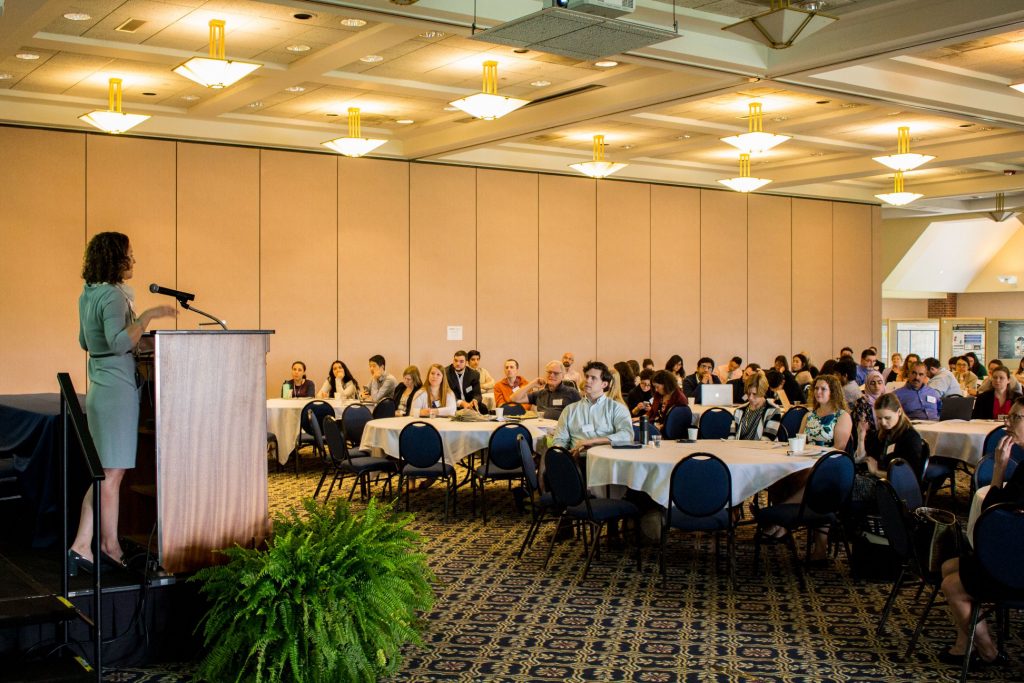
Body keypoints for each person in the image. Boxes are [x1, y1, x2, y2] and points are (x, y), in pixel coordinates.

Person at [70, 232, 177, 573]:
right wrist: (145, 318)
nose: (134, 261)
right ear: (116, 258)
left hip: (101, 386)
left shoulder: (89, 294)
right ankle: (110, 547)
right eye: (129, 255)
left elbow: (86, 340)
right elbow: (118, 343)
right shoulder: (114, 297)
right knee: (112, 476)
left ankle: (82, 546)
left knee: (102, 475)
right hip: (117, 391)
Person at [938, 397, 1024, 668]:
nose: (1008, 423)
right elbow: (993, 509)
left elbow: (994, 513)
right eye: (1008, 417)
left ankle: (989, 653)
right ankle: (966, 644)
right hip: (1013, 549)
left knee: (951, 584)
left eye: (1016, 418)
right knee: (949, 566)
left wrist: (1000, 468)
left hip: (1018, 560)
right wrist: (1000, 466)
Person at [851, 393, 925, 506]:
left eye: (887, 418)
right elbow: (863, 460)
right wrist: (861, 437)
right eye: (879, 418)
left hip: (896, 488)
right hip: (880, 480)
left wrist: (876, 472)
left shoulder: (910, 437)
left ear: (899, 412)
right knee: (844, 480)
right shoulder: (882, 434)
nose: (883, 423)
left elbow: (908, 476)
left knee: (850, 486)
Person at [551, 361, 633, 456]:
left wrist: (591, 442)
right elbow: (559, 440)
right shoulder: (570, 410)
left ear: (604, 384)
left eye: (593, 378)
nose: (587, 380)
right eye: (586, 376)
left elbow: (627, 435)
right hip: (578, 460)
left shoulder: (617, 408)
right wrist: (563, 455)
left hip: (607, 459)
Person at [510, 360, 581, 420]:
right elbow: (514, 398)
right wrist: (532, 384)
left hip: (560, 431)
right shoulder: (540, 393)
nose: (552, 375)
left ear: (562, 376)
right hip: (540, 429)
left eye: (556, 373)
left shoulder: (572, 393)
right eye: (549, 372)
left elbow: (581, 416)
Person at [800, 374, 853, 450]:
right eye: (816, 388)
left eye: (823, 389)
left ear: (833, 392)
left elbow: (839, 448)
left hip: (829, 459)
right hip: (807, 458)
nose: (818, 392)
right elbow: (800, 442)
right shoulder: (808, 416)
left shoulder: (842, 416)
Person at [728, 371, 782, 441]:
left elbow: (767, 440)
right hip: (740, 450)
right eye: (748, 393)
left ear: (763, 392)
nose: (750, 398)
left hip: (762, 450)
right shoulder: (739, 410)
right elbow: (731, 436)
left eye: (755, 394)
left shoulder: (773, 411)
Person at [850, 370, 886, 435]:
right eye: (872, 383)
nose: (877, 386)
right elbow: (861, 426)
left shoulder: (887, 399)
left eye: (879, 382)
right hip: (869, 438)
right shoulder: (862, 402)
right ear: (867, 385)